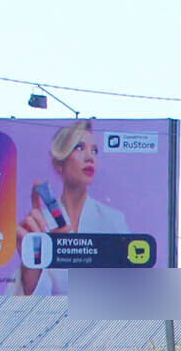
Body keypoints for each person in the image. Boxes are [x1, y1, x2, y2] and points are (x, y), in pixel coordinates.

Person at [17, 121, 128, 297]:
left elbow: (131, 293)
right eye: (79, 148)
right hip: (51, 320)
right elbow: (21, 308)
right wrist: (33, 264)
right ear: (59, 163)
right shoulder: (39, 227)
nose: (90, 157)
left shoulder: (113, 219)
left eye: (94, 151)